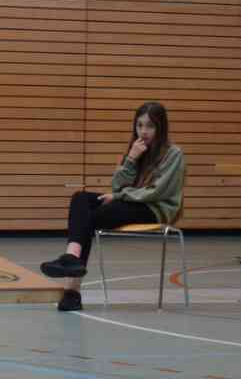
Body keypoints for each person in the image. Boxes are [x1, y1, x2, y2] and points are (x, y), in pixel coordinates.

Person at [41, 101, 185, 313]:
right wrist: (131, 159)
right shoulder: (137, 150)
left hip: (155, 210)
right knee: (80, 198)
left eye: (150, 126)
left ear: (161, 127)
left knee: (92, 217)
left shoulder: (174, 154)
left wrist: (118, 196)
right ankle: (71, 257)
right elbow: (117, 184)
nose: (143, 131)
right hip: (128, 202)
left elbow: (156, 191)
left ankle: (72, 291)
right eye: (139, 125)